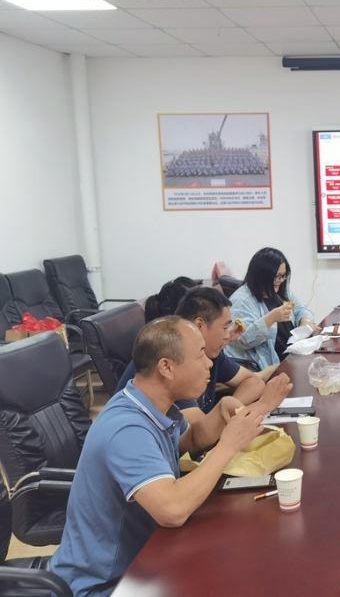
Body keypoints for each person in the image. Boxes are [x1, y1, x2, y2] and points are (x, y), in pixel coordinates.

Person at [50, 316, 283, 597]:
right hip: (107, 585)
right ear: (167, 367)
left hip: (146, 561)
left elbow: (190, 440)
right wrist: (228, 445)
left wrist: (221, 414)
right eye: (200, 355)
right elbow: (172, 510)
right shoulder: (127, 429)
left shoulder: (152, 406)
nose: (209, 364)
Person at [117, 287, 286, 423]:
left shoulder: (209, 352)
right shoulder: (177, 361)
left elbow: (253, 382)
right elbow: (198, 434)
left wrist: (230, 408)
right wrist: (261, 406)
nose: (227, 335)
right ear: (199, 325)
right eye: (224, 328)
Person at [226, 247, 319, 369]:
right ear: (262, 276)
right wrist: (270, 319)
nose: (281, 280)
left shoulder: (280, 290)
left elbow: (300, 308)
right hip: (270, 365)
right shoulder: (242, 300)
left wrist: (305, 321)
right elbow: (241, 341)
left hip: (294, 353)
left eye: (284, 276)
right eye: (277, 276)